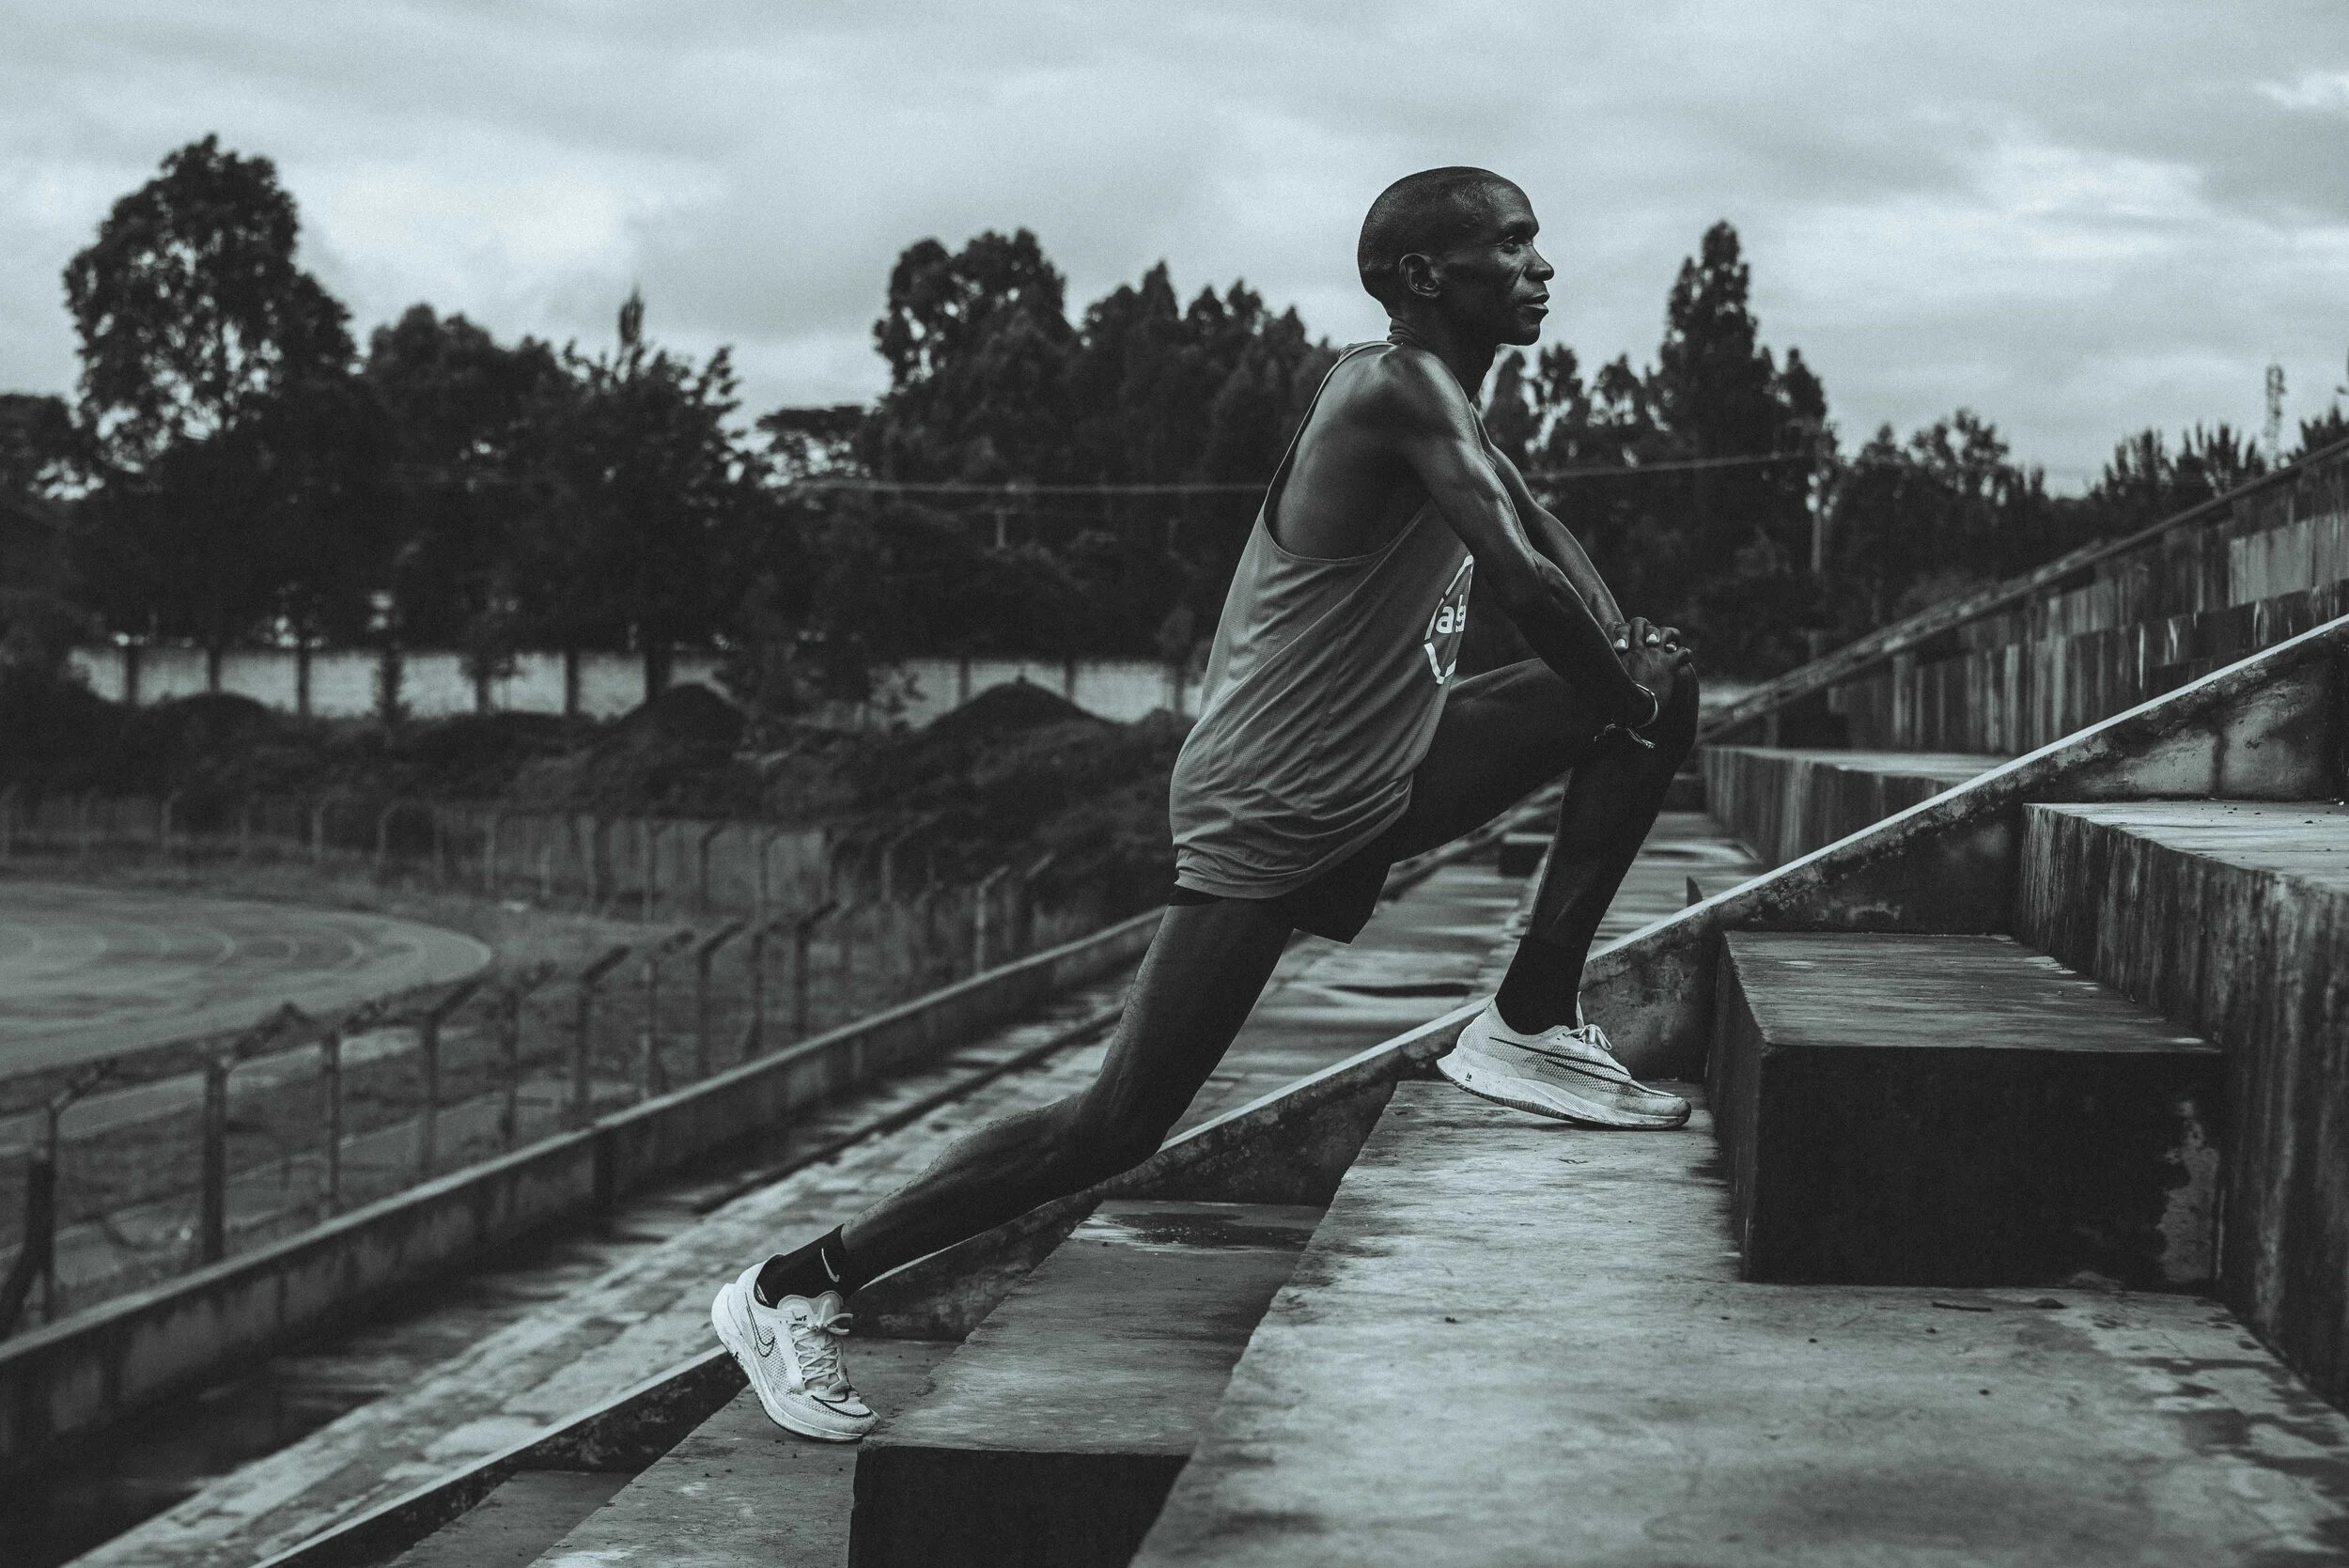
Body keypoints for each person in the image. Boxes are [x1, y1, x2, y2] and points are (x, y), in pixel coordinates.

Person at [709, 167, 1700, 1442]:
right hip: (1273, 799)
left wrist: (1631, 662)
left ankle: (1528, 1019)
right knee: (1116, 1124)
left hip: (1377, 765)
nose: (1541, 267)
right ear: (1424, 279)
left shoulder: (1448, 396)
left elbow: (1542, 530)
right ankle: (793, 1286)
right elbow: (1526, 581)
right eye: (1513, 247)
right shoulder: (1394, 388)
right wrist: (1616, 680)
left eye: (1537, 245)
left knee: (1658, 686)